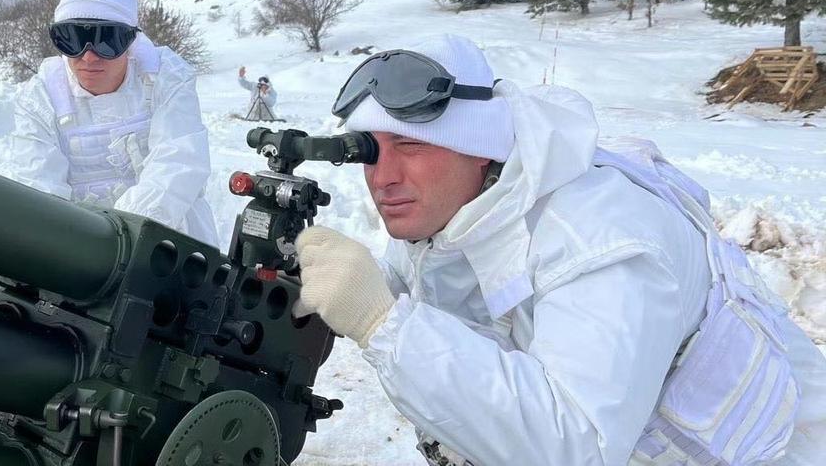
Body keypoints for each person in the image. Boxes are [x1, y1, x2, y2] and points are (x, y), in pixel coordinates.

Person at [292, 34, 826, 466]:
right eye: (370, 152)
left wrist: (383, 323)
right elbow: (447, 292)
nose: (383, 177)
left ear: (480, 148)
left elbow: (578, 445)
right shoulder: (458, 204)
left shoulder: (602, 239)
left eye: (410, 145)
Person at [11, 0, 219, 248]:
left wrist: (121, 238)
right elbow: (38, 188)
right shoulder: (40, 97)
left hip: (169, 238)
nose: (88, 57)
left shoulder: (166, 77)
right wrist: (70, 243)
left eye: (106, 40)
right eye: (72, 39)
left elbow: (179, 162)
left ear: (131, 39)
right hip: (76, 244)